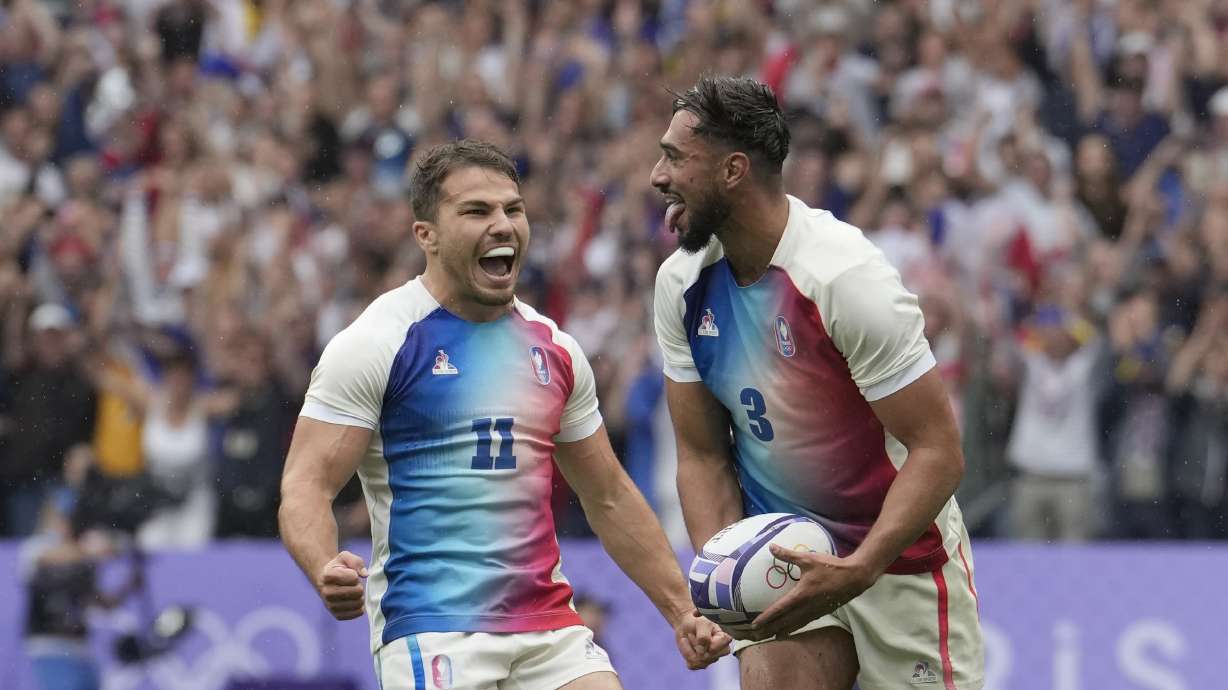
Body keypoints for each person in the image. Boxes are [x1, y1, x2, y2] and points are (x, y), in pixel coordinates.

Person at [279, 140, 729, 690]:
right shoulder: (379, 343)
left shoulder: (555, 350)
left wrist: (683, 610)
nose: (503, 225)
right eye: (476, 211)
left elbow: (608, 494)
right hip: (435, 630)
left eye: (512, 209)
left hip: (550, 630)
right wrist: (323, 563)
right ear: (427, 235)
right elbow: (306, 483)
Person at [651, 76, 983, 690]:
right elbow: (701, 454)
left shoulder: (844, 278)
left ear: (733, 170)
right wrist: (721, 574)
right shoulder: (681, 285)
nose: (657, 175)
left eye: (675, 157)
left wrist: (858, 567)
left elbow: (940, 452)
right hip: (784, 560)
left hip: (897, 563)